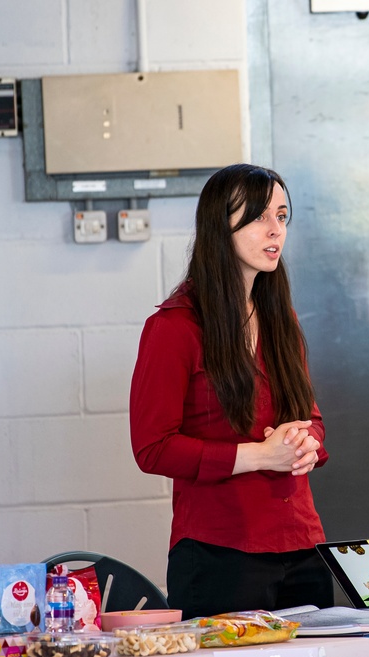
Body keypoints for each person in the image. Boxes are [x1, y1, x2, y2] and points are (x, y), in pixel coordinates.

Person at [130, 163, 333, 619]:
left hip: (303, 544)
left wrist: (306, 446)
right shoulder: (174, 327)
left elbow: (312, 419)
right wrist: (259, 456)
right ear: (220, 225)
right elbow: (152, 448)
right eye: (260, 216)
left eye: (282, 216)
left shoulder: (282, 318)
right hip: (220, 553)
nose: (274, 230)